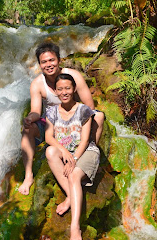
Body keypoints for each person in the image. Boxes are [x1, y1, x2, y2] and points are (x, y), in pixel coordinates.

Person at [18, 42, 104, 195]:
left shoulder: (73, 76)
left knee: (98, 116)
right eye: (44, 62)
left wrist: (77, 123)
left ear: (59, 60)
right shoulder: (37, 84)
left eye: (52, 60)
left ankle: (88, 158)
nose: (48, 64)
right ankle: (28, 175)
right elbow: (36, 111)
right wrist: (29, 119)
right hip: (53, 122)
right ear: (39, 64)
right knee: (27, 129)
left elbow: (89, 105)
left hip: (75, 119)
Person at [45, 73, 100, 240]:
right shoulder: (51, 111)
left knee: (74, 176)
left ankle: (75, 226)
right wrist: (65, 153)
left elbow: (84, 140)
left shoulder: (83, 110)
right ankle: (71, 195)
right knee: (50, 152)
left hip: (85, 151)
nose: (64, 92)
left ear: (74, 89)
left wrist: (74, 158)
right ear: (55, 91)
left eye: (67, 88)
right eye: (60, 89)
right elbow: (48, 137)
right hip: (66, 151)